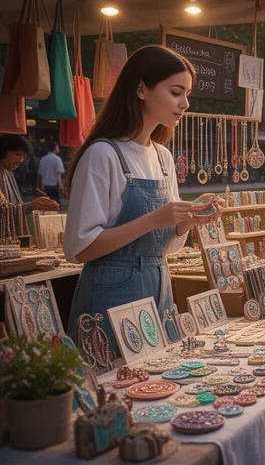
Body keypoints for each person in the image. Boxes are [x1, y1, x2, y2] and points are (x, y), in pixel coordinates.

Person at [64, 46, 198, 352]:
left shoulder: (163, 157)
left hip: (160, 288)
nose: (185, 103)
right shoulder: (103, 154)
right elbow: (80, 247)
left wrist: (185, 223)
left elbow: (166, 246)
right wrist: (152, 219)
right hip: (111, 296)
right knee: (114, 389)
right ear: (141, 89)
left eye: (187, 94)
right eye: (176, 92)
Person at [0, 135, 59, 239]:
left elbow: (10, 206)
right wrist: (31, 205)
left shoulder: (8, 173)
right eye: (18, 155)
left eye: (23, 156)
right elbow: (3, 209)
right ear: (3, 151)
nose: (21, 160)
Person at [37, 141, 65, 205]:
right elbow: (58, 175)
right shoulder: (57, 159)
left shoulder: (43, 159)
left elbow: (40, 174)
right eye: (58, 147)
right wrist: (61, 186)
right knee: (55, 205)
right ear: (55, 148)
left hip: (45, 186)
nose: (59, 149)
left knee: (46, 206)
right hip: (54, 186)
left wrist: (39, 186)